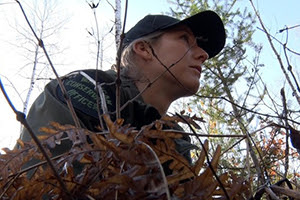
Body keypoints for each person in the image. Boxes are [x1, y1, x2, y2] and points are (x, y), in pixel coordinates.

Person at [19, 10, 225, 173]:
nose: (203, 54)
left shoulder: (176, 139)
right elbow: (46, 181)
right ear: (144, 49)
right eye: (185, 39)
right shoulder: (88, 87)